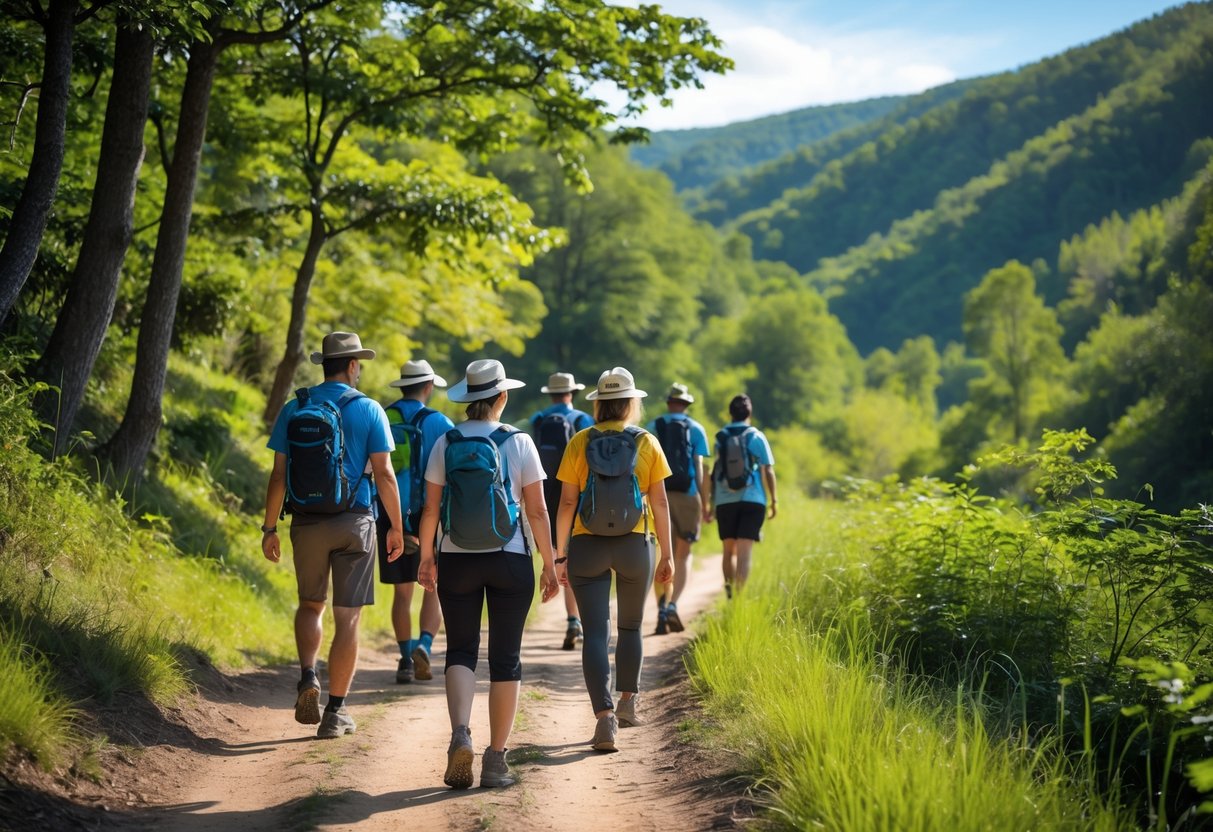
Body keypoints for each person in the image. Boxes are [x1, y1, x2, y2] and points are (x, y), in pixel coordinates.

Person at [417, 359, 559, 789]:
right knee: (505, 658)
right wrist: (550, 564)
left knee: (460, 650)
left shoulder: (446, 441)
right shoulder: (519, 442)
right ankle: (496, 760)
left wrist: (426, 558)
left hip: (456, 558)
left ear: (467, 398)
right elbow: (536, 510)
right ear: (502, 396)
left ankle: (461, 733)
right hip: (510, 556)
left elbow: (430, 509)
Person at [262, 331, 404, 739]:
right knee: (349, 617)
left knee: (311, 605)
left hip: (306, 521)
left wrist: (270, 527)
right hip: (355, 521)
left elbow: (277, 475)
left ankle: (309, 676)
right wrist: (395, 525)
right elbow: (385, 474)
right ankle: (335, 713)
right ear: (354, 366)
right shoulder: (369, 409)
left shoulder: (296, 407)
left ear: (322, 364)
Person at [554, 367, 675, 752]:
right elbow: (659, 502)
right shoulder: (647, 443)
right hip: (635, 543)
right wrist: (667, 554)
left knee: (594, 633)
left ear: (598, 403)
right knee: (630, 628)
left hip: (587, 545)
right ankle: (626, 704)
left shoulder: (579, 442)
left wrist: (559, 555)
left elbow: (568, 502)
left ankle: (604, 719)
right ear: (631, 402)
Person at [378, 359, 455, 684]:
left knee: (402, 593)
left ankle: (404, 658)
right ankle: (424, 644)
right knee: (432, 587)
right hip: (430, 515)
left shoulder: (384, 416)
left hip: (390, 513)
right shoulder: (440, 422)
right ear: (428, 387)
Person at [528, 372, 594, 650]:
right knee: (575, 555)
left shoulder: (538, 419)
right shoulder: (582, 420)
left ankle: (567, 613)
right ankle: (574, 620)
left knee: (557, 554)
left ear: (550, 394)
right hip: (574, 492)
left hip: (546, 490)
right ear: (572, 393)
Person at [646, 382, 710, 634]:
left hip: (658, 494)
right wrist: (705, 505)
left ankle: (661, 607)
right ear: (686, 405)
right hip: (688, 495)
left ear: (668, 402)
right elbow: (700, 469)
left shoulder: (654, 426)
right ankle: (673, 605)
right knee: (683, 554)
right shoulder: (696, 429)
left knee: (664, 553)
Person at [703, 394, 777, 598]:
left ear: (730, 413)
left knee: (728, 551)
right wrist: (774, 500)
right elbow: (768, 470)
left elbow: (714, 473)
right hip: (753, 500)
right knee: (744, 554)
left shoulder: (721, 437)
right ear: (749, 413)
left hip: (725, 502)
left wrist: (710, 504)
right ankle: (739, 598)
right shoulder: (756, 436)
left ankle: (729, 593)